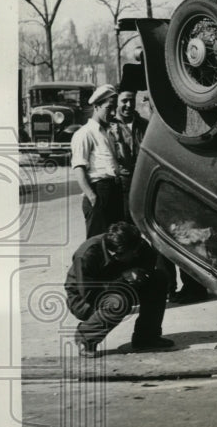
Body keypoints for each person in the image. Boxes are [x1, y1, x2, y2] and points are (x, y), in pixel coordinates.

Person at [64, 221, 173, 357]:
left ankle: (147, 337)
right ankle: (86, 337)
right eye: (132, 253)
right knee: (118, 303)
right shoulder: (87, 254)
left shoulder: (136, 244)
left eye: (137, 251)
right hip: (84, 298)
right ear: (117, 254)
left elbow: (149, 262)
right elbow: (89, 292)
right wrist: (122, 281)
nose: (136, 254)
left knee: (158, 279)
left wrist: (141, 273)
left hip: (124, 286)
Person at [71, 84, 124, 238]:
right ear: (96, 106)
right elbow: (79, 168)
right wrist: (92, 197)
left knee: (115, 242)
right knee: (97, 242)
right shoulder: (84, 133)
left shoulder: (108, 133)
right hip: (98, 191)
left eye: (115, 107)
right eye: (109, 108)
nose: (113, 112)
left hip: (114, 191)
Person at [107, 86, 149, 221]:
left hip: (144, 180)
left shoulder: (144, 124)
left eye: (132, 100)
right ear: (116, 102)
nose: (129, 105)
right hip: (123, 183)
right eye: (124, 101)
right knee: (126, 220)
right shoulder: (109, 126)